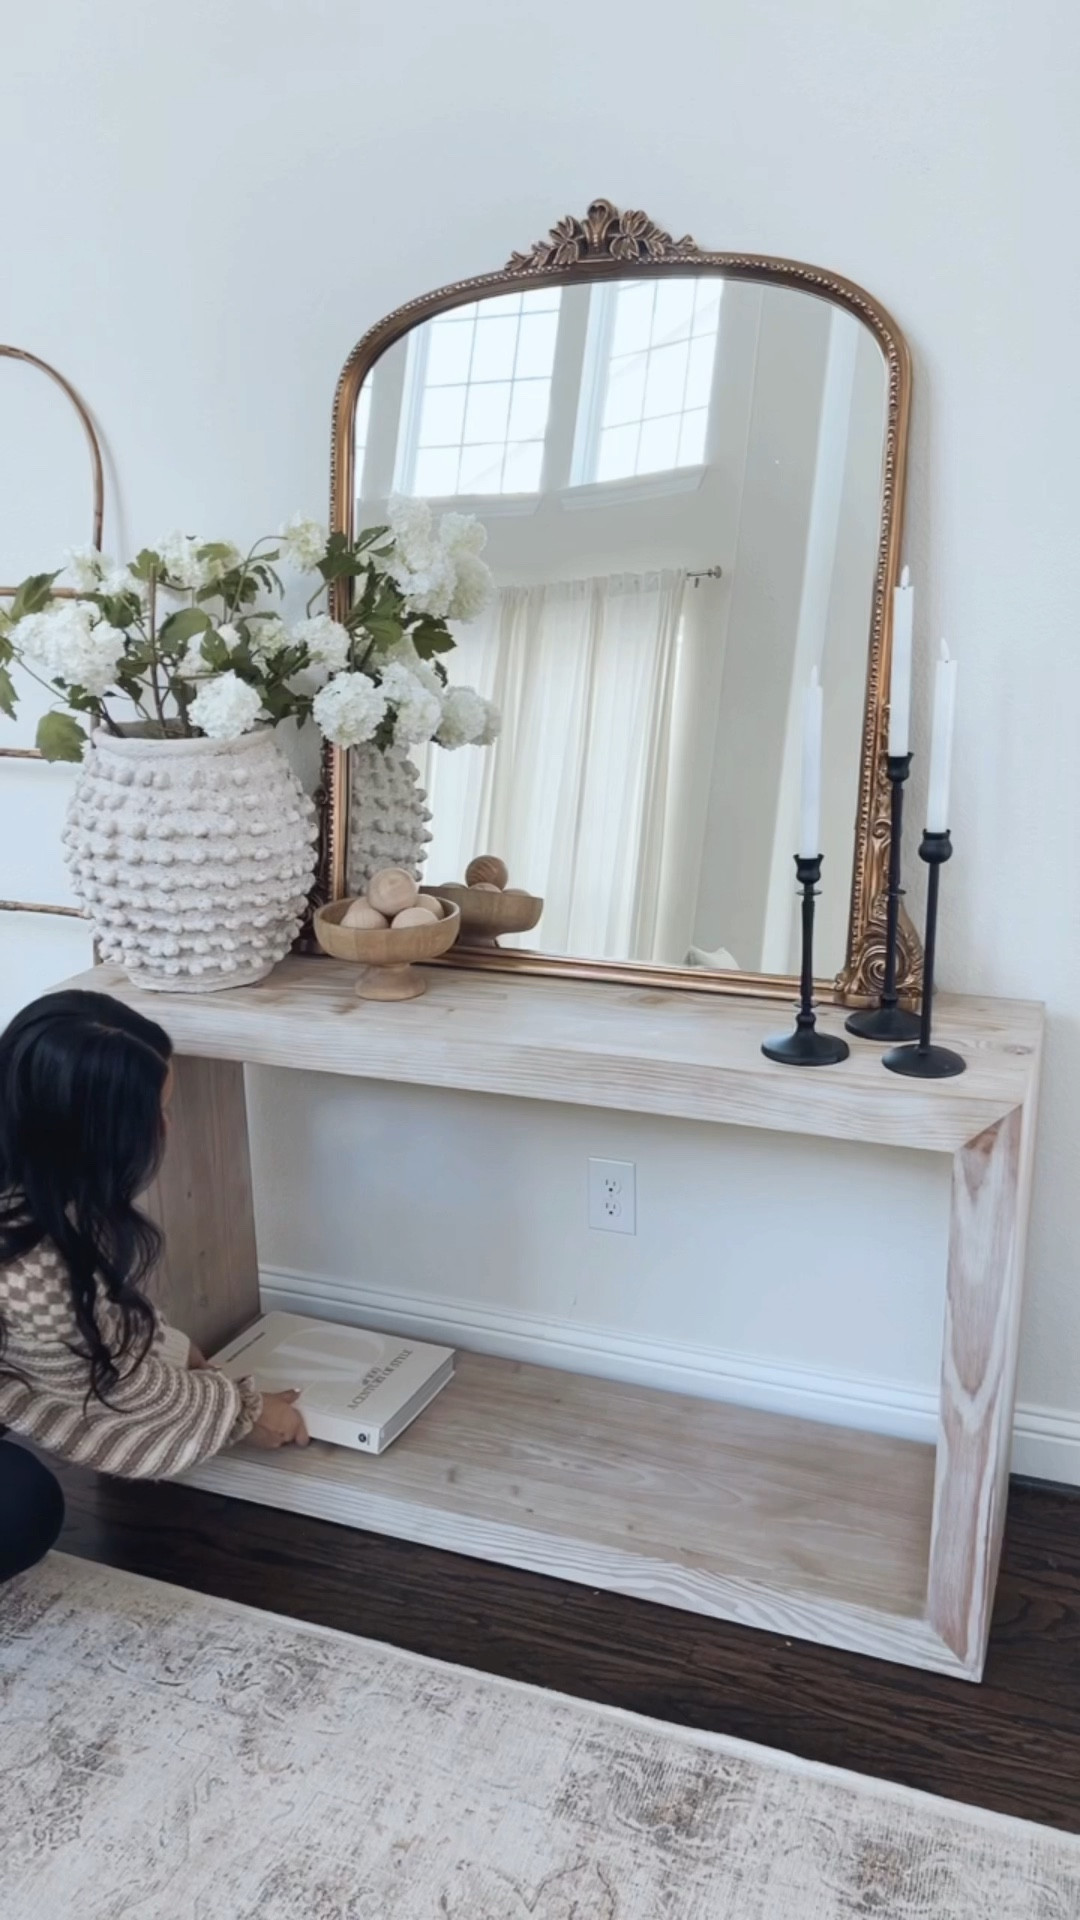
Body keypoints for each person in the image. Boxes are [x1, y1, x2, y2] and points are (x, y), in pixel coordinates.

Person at [0, 989, 308, 1584]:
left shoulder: (30, 1190)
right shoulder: (30, 1264)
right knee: (22, 1506)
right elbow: (109, 1392)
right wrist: (245, 1411)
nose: (168, 1126)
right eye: (156, 1113)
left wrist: (175, 1347)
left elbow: (105, 1329)